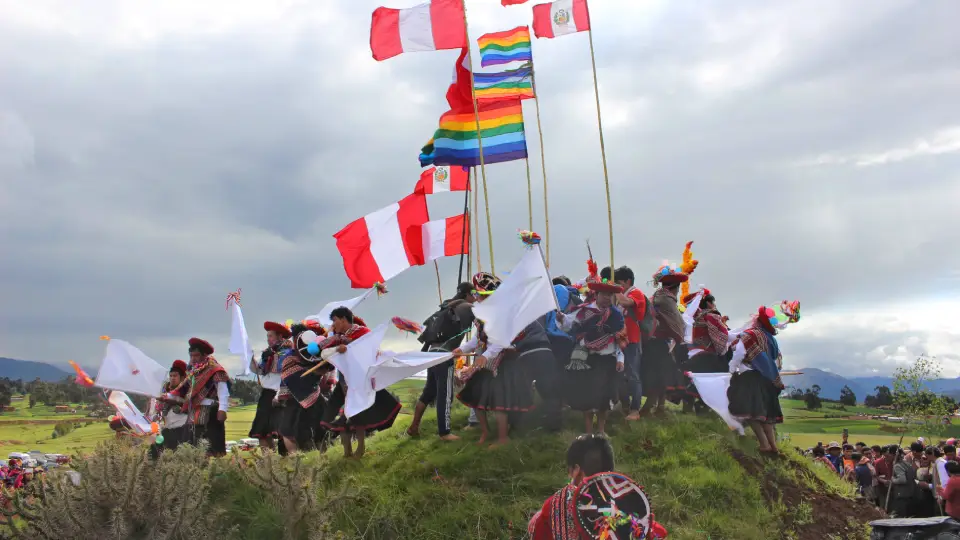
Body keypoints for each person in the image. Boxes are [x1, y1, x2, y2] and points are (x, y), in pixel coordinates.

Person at [527, 434, 667, 540]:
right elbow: (659, 532)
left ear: (575, 470)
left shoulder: (557, 503)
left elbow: (538, 532)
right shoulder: (624, 502)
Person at [455, 272, 536, 447]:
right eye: (478, 295)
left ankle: (502, 439)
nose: (479, 299)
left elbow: (501, 341)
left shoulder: (504, 314)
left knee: (500, 402)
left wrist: (485, 356)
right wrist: (461, 349)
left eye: (482, 295)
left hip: (506, 363)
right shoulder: (483, 315)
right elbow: (478, 339)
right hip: (488, 361)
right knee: (475, 397)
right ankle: (485, 432)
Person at [320, 307, 402, 459]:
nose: (333, 324)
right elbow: (323, 353)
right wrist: (337, 348)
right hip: (343, 383)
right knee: (341, 418)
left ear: (343, 319)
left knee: (358, 416)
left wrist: (350, 348)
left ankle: (360, 448)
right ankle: (347, 452)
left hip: (361, 382)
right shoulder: (337, 338)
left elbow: (370, 351)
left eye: (335, 320)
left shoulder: (363, 333)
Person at [556, 281, 626, 435]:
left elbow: (619, 338)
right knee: (587, 397)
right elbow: (569, 324)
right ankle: (588, 433)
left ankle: (601, 431)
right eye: (604, 294)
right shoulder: (584, 311)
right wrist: (562, 319)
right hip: (588, 359)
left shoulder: (615, 315)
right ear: (596, 294)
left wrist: (620, 359)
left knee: (604, 398)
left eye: (610, 295)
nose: (607, 297)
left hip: (608, 360)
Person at [408, 283, 475, 441]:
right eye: (474, 294)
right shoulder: (468, 307)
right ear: (467, 294)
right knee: (445, 394)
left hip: (432, 353)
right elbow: (486, 316)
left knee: (429, 392)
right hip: (444, 354)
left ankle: (414, 427)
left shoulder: (448, 305)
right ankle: (444, 433)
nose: (476, 297)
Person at [727, 306, 785, 454]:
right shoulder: (771, 339)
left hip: (750, 378)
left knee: (750, 413)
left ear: (757, 321)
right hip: (767, 379)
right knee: (766, 416)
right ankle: (774, 447)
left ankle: (764, 445)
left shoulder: (749, 335)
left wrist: (731, 369)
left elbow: (739, 354)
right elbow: (775, 358)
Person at [670, 289, 730, 414]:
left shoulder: (694, 317)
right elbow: (722, 336)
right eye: (713, 302)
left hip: (691, 353)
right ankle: (703, 409)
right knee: (710, 382)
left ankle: (689, 409)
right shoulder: (711, 316)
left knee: (692, 381)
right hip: (707, 355)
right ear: (708, 303)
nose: (714, 305)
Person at [638, 266, 688, 418]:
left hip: (655, 342)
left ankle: (659, 407)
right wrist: (679, 335)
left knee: (660, 375)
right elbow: (678, 323)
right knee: (660, 376)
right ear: (675, 287)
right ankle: (650, 408)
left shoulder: (657, 296)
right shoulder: (667, 300)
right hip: (658, 343)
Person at [279, 321, 331, 453]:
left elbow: (324, 370)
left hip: (302, 399)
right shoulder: (293, 357)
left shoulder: (302, 355)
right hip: (300, 398)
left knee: (301, 431)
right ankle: (306, 459)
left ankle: (314, 458)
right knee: (296, 432)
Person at [249, 321, 294, 453]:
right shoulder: (268, 353)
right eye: (267, 336)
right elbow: (260, 371)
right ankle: (268, 461)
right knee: (262, 432)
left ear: (280, 336)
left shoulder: (288, 353)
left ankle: (285, 459)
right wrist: (251, 359)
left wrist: (279, 394)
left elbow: (287, 376)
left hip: (281, 393)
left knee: (280, 431)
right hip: (267, 394)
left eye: (271, 336)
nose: (268, 339)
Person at [613, 266, 650, 421]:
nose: (618, 286)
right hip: (618, 339)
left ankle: (635, 410)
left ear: (628, 281)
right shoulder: (620, 295)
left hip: (632, 340)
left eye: (619, 283)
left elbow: (626, 302)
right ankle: (624, 406)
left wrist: (614, 290)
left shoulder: (636, 293)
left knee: (633, 375)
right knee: (619, 375)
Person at [184, 337, 230, 457]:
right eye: (191, 356)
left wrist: (222, 409)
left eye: (196, 355)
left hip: (211, 411)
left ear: (204, 355)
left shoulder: (214, 369)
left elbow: (223, 390)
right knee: (195, 447)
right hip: (195, 411)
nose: (193, 359)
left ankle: (216, 467)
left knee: (214, 447)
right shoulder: (192, 371)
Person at [151, 359, 190, 456]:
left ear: (182, 377)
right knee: (153, 452)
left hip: (182, 428)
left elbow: (189, 405)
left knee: (179, 455)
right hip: (167, 428)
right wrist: (156, 415)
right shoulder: (165, 390)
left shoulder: (187, 390)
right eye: (171, 375)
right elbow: (158, 407)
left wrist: (174, 401)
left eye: (175, 376)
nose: (172, 378)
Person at [890, 446, 918, 517]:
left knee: (902, 515)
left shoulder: (897, 466)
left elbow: (902, 480)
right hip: (911, 492)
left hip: (902, 494)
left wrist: (893, 480)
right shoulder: (907, 463)